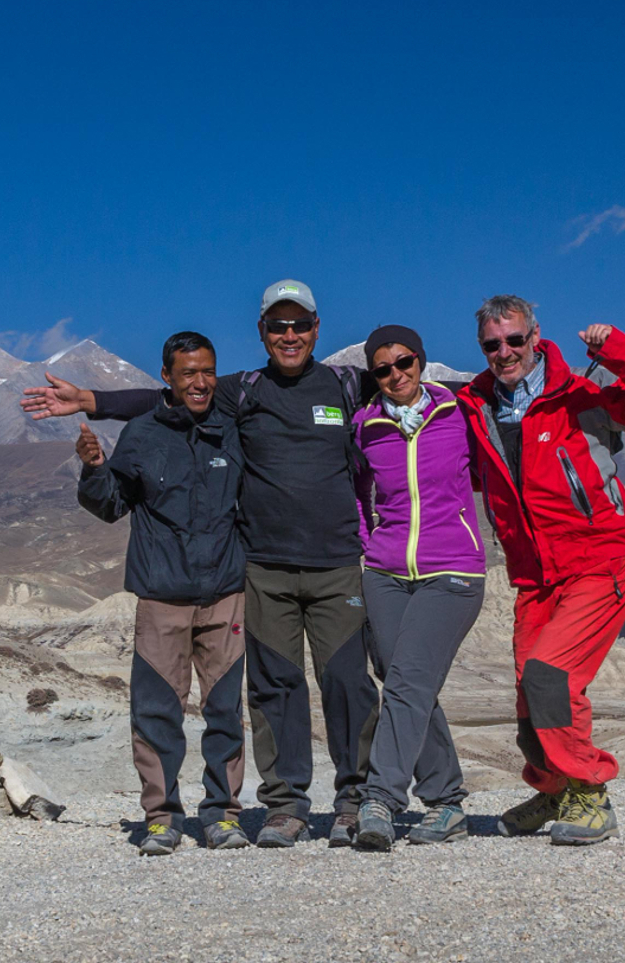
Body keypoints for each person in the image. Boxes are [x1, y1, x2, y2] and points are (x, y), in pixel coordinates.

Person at [28, 279, 378, 848]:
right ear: (261, 332)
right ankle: (217, 811)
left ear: (317, 328)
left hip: (280, 575)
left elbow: (420, 388)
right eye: (277, 326)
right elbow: (149, 436)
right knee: (220, 699)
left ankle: (303, 805)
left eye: (299, 325)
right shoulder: (202, 411)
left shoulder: (324, 390)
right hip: (212, 582)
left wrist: (504, 383)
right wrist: (94, 430)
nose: (289, 335)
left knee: (300, 694)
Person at [457, 295, 625, 845]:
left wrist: (617, 352)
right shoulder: (477, 409)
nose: (505, 352)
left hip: (600, 557)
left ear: (536, 336)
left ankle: (589, 792)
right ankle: (554, 790)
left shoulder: (581, 396)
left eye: (515, 339)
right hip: (534, 575)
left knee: (552, 677)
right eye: (493, 344)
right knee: (526, 692)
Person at [76, 331, 249, 855]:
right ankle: (161, 816)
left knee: (224, 709)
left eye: (208, 371)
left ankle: (222, 814)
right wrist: (93, 468)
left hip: (225, 592)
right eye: (188, 373)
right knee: (156, 711)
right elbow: (111, 505)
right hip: (160, 595)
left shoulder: (232, 430)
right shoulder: (142, 434)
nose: (200, 383)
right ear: (166, 379)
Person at [346, 325, 486, 852]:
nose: (396, 375)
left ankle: (380, 798)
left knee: (407, 680)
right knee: (400, 678)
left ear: (421, 361)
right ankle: (447, 803)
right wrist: (371, 542)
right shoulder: (367, 425)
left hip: (452, 570)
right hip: (385, 572)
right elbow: (361, 492)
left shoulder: (460, 411)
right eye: (382, 369)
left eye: (404, 362)